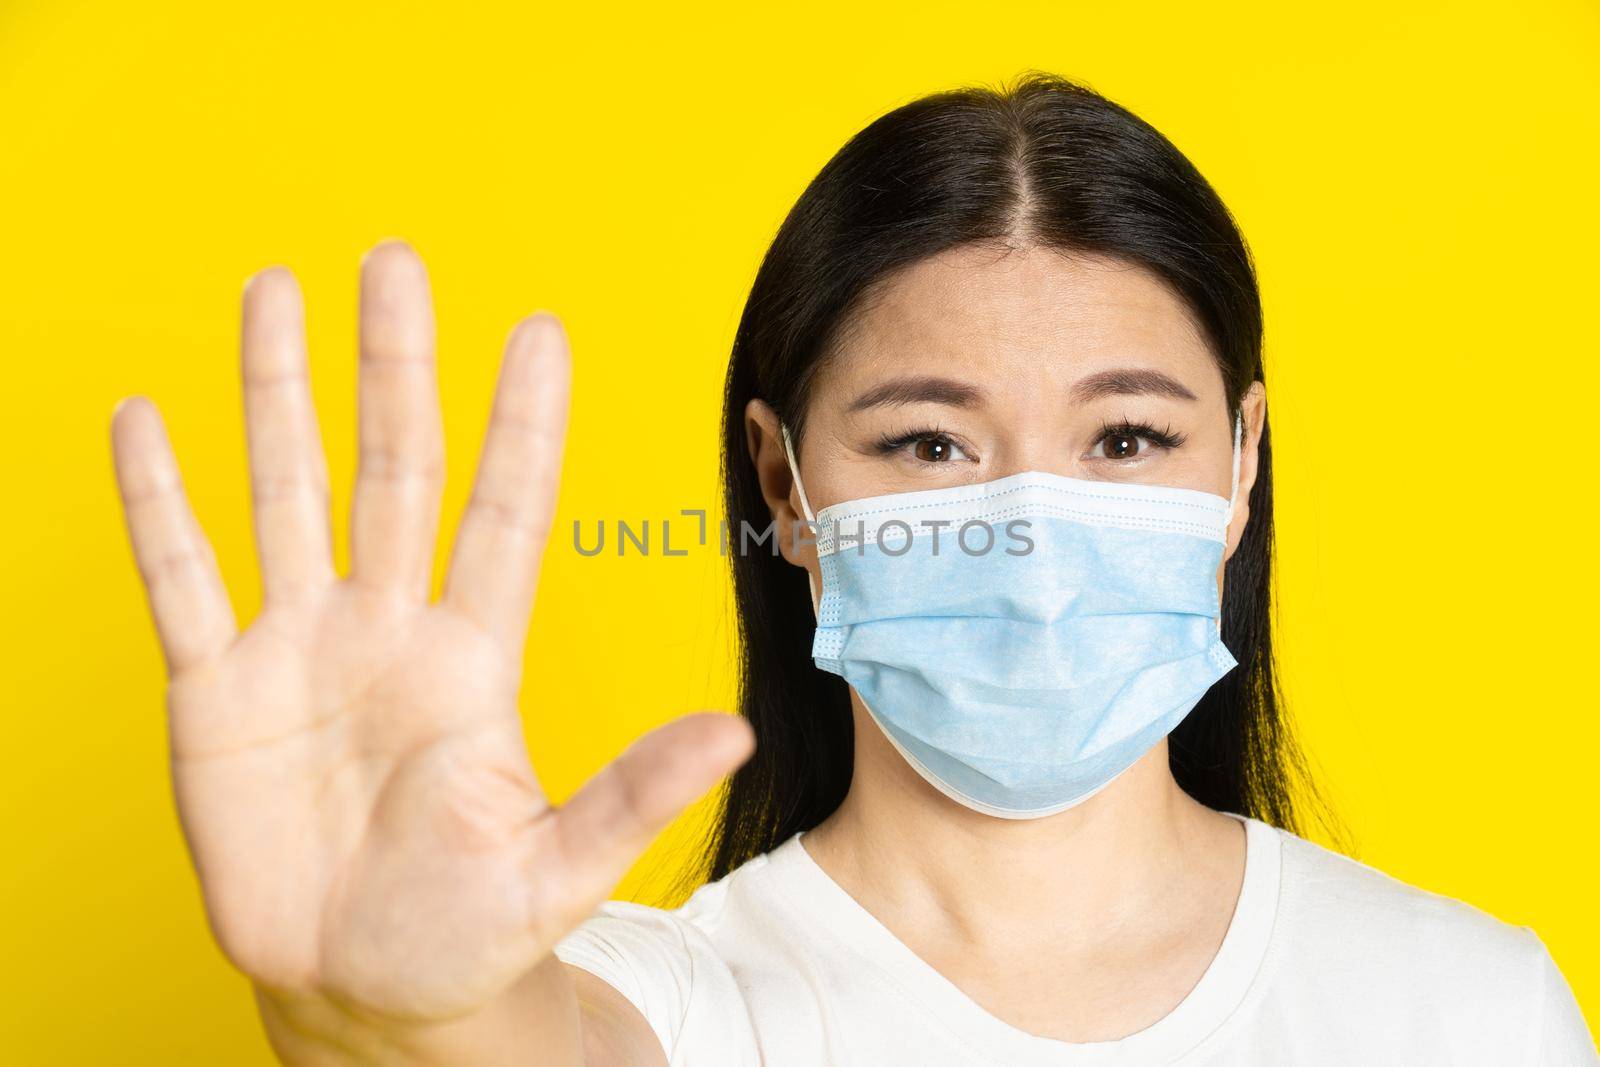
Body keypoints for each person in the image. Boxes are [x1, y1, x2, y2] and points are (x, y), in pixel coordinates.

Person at [110, 72, 1595, 1065]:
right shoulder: (680, 1012)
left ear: (1242, 467)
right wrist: (377, 1008)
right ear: (786, 486)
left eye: (1129, 438)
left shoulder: (1473, 1010)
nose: (1030, 537)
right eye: (931, 447)